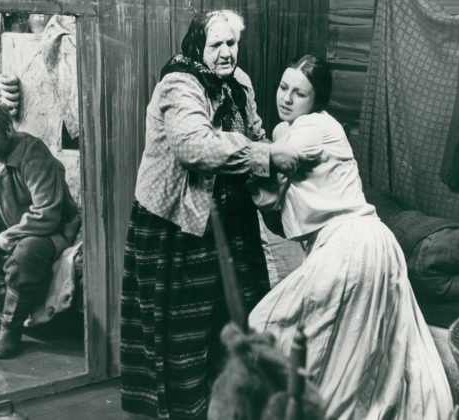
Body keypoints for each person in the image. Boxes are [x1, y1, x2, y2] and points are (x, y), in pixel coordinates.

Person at [120, 10, 320, 420]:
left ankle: (229, 405)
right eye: (216, 44)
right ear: (198, 46)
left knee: (235, 318)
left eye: (232, 43)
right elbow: (193, 147)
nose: (226, 52)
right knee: (184, 332)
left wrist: (274, 150)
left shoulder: (239, 82)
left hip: (230, 220)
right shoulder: (179, 84)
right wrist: (265, 155)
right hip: (179, 224)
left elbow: (255, 130)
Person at [248, 55, 453, 419]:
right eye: (283, 87)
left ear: (317, 100)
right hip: (370, 243)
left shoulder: (314, 128)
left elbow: (271, 166)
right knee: (359, 361)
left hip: (352, 245)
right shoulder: (306, 127)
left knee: (267, 326)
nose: (287, 98)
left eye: (300, 93)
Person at [0, 99, 81, 359]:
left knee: (26, 251)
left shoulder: (33, 153)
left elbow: (47, 214)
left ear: (8, 129)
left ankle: (11, 327)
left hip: (44, 230)